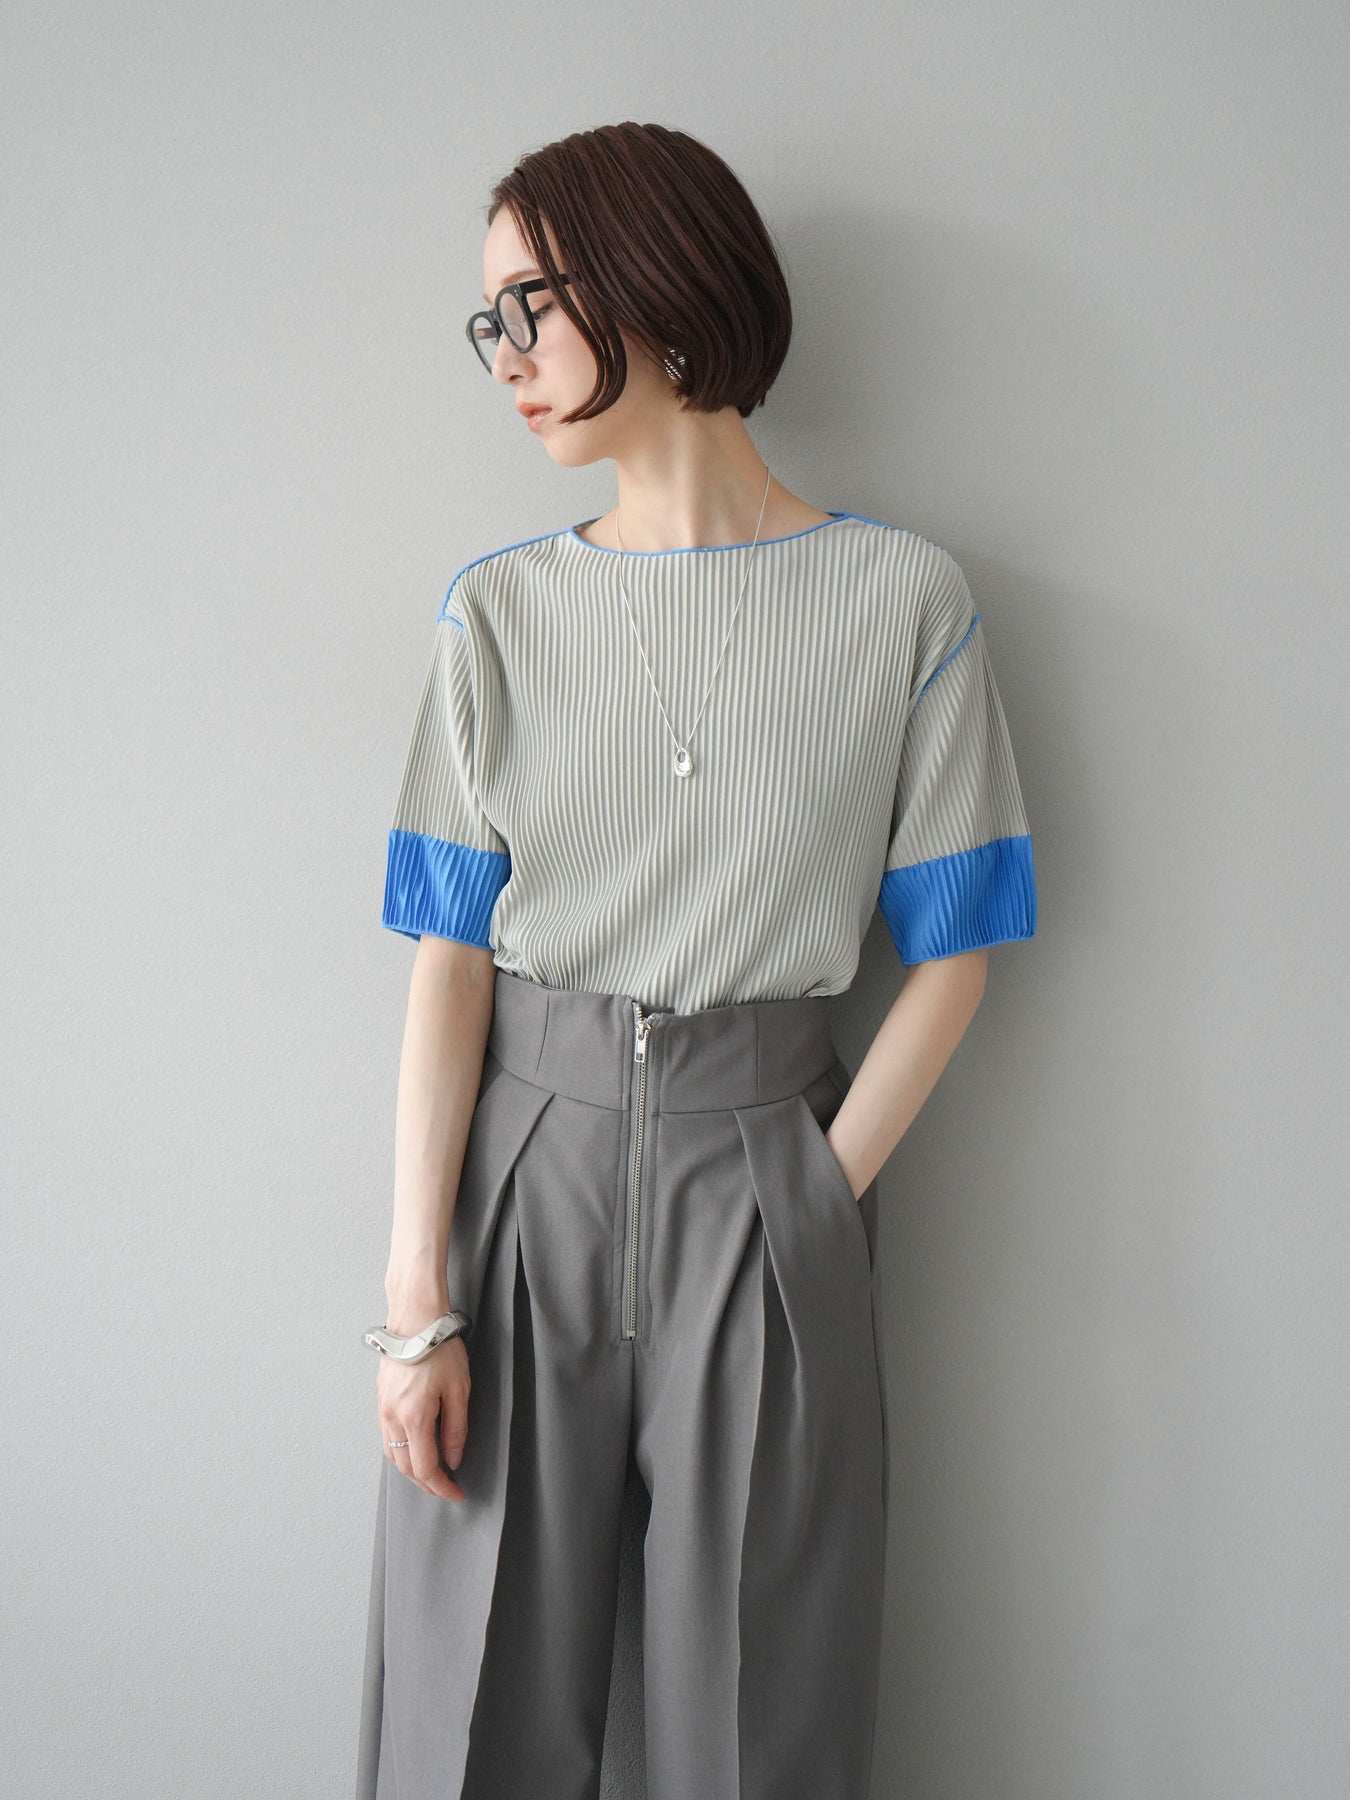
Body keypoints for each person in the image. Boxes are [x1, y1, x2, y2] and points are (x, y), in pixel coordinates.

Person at [355, 121, 1037, 1800]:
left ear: (651, 285)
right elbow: (450, 961)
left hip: (767, 1168)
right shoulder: (496, 614)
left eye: (530, 307)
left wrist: (813, 1189)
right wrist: (414, 1301)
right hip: (526, 1179)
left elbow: (954, 952)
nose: (505, 357)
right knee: (470, 1705)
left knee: (761, 1715)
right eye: (489, 321)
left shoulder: (902, 600)